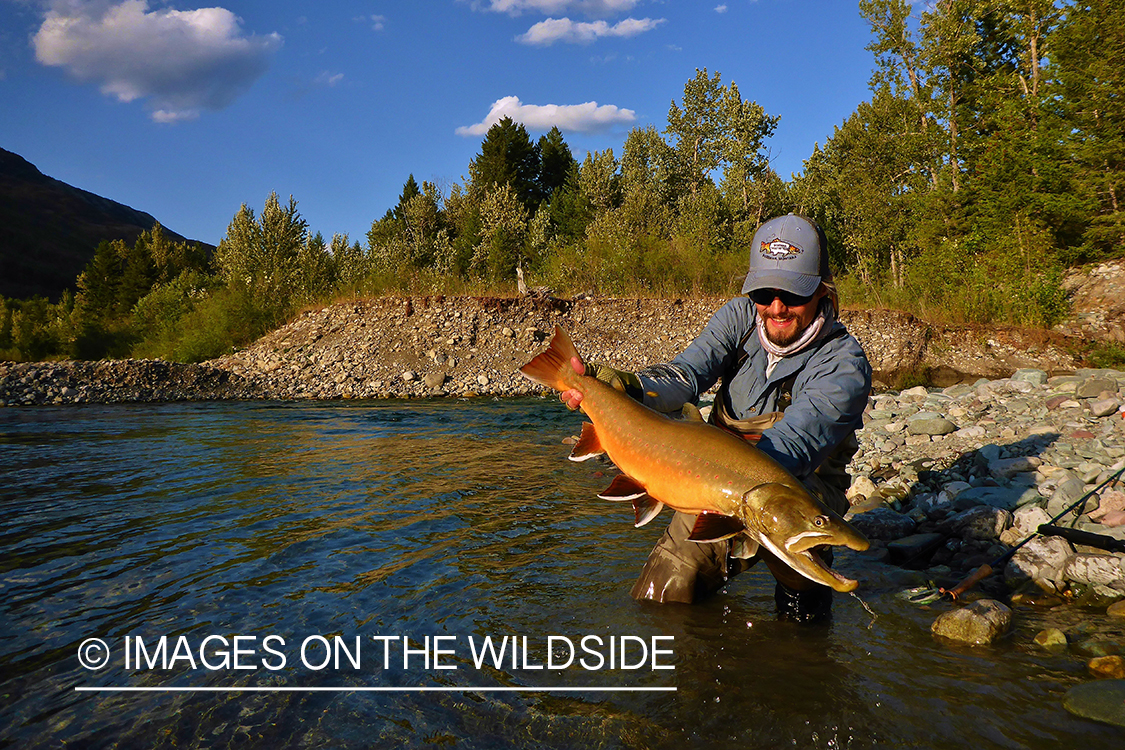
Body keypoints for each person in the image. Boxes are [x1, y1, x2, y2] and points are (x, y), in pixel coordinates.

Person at [561, 214, 871, 623]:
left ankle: (802, 638)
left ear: (822, 289)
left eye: (793, 295)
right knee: (662, 598)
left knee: (803, 619)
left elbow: (791, 448)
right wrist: (629, 388)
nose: (776, 307)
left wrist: (694, 477)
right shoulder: (739, 318)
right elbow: (685, 375)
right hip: (712, 479)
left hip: (799, 488)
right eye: (764, 292)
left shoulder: (844, 365)